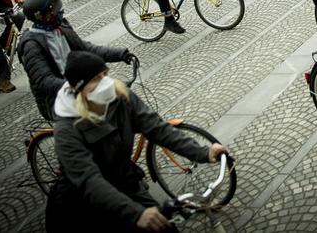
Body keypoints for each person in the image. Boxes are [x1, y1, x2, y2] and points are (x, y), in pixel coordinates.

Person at [45, 50, 227, 232]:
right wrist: (136, 214)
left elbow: (157, 128)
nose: (105, 82)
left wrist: (203, 152)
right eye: (95, 80)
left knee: (165, 227)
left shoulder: (121, 97)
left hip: (125, 182)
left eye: (105, 74)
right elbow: (88, 180)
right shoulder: (67, 129)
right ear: (79, 89)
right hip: (84, 205)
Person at [19, 0, 136, 121]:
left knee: (121, 102)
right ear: (44, 15)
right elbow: (45, 81)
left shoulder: (61, 26)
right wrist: (78, 86)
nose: (61, 10)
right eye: (56, 8)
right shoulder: (31, 45)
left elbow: (85, 49)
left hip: (81, 87)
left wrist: (120, 54)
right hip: (58, 100)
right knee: (99, 126)